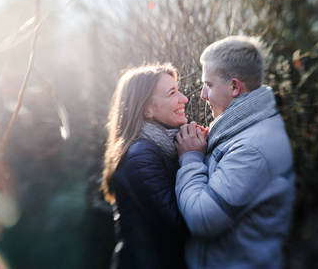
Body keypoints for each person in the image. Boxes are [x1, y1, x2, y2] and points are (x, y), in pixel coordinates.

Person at [175, 36, 295, 269]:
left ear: (234, 87)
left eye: (208, 85)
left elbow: (202, 219)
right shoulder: (245, 126)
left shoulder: (251, 149)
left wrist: (190, 158)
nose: (202, 95)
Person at [102, 64, 189, 269]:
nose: (184, 98)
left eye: (179, 90)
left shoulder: (166, 145)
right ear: (147, 109)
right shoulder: (140, 155)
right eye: (172, 93)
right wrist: (192, 157)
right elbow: (180, 225)